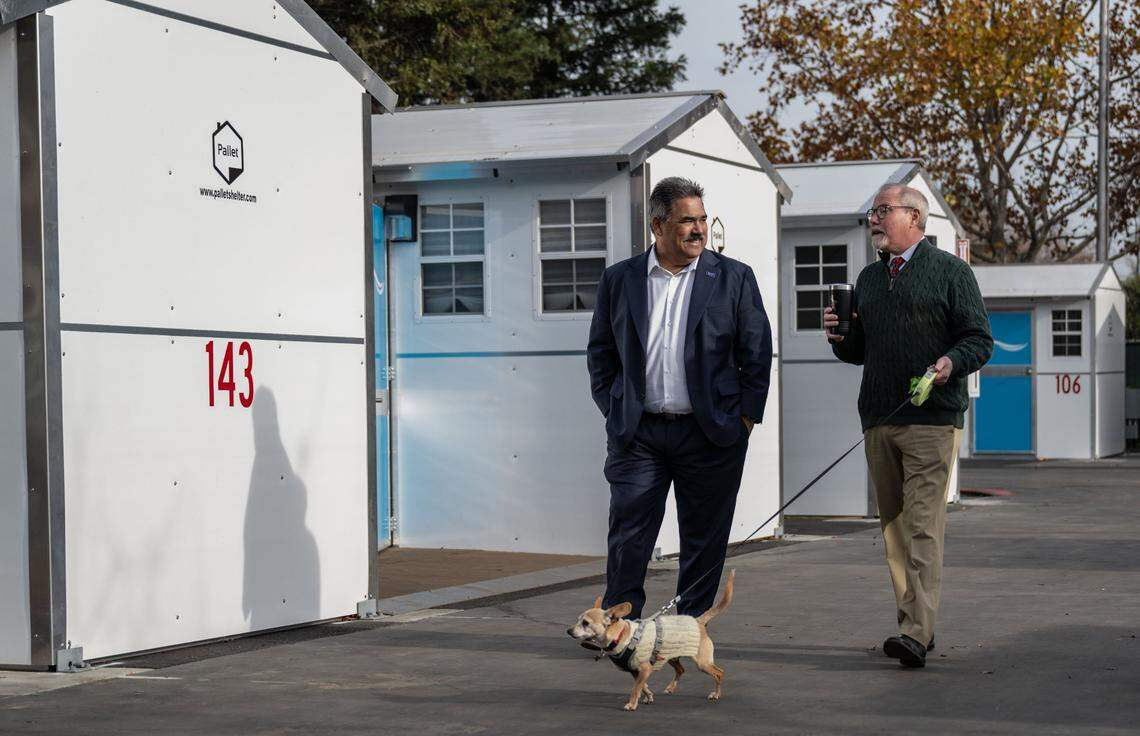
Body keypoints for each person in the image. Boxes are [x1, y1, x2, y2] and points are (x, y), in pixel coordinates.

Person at [587, 176, 772, 619]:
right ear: (658, 226)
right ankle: (620, 626)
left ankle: (687, 628)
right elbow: (601, 353)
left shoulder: (733, 278)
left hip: (710, 434)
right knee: (629, 535)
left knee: (704, 538)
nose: (698, 230)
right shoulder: (620, 279)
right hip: (639, 435)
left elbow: (757, 352)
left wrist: (744, 421)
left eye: (702, 220)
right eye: (687, 221)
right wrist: (616, 409)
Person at [825, 184, 993, 668]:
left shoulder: (951, 272)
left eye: (882, 211)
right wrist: (839, 337)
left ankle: (915, 633)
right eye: (872, 212)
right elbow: (859, 353)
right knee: (895, 531)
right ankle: (917, 624)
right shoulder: (869, 279)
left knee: (922, 526)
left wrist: (949, 361)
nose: (873, 220)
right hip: (879, 420)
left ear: (914, 218)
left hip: (932, 422)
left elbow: (980, 340)